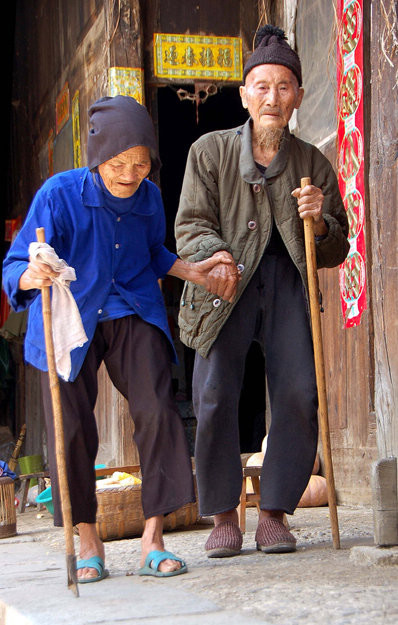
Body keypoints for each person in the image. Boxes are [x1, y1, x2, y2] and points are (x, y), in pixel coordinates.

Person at [2, 95, 234, 581]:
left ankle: (154, 538)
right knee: (71, 428)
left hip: (129, 307)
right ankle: (89, 541)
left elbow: (151, 255)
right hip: (72, 314)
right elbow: (15, 265)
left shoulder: (149, 197)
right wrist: (32, 273)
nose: (130, 175)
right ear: (96, 159)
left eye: (140, 164)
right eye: (118, 164)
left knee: (157, 408)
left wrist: (193, 269)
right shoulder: (59, 195)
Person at [174, 25, 350, 557]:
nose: (272, 97)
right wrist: (215, 255)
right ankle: (224, 514)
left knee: (298, 392)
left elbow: (337, 246)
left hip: (286, 281)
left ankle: (274, 512)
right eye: (261, 86)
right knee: (214, 393)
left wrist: (319, 224)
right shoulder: (209, 153)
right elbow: (189, 225)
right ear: (245, 94)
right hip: (226, 284)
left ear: (297, 96)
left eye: (283, 87)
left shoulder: (314, 164)